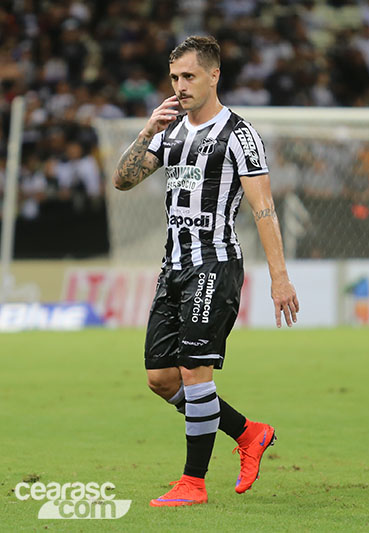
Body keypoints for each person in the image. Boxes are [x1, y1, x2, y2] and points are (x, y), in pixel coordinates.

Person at [111, 36, 299, 507]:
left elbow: (264, 209)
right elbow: (123, 180)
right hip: (172, 267)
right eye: (174, 77)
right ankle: (248, 432)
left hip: (213, 264)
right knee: (161, 378)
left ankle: (193, 483)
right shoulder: (169, 130)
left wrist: (279, 278)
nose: (179, 86)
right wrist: (146, 131)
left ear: (214, 75)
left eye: (189, 76)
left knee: (195, 372)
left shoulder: (238, 134)